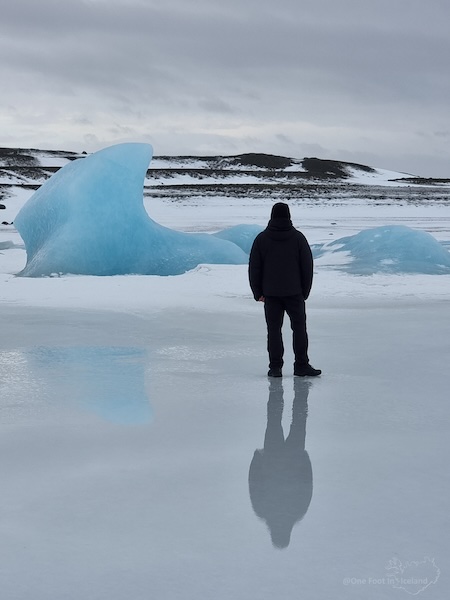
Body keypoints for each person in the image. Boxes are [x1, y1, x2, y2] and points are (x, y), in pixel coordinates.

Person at [248, 202, 321, 377]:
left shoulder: (262, 239)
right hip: (294, 293)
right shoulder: (298, 238)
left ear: (272, 216)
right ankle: (301, 365)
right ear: (288, 216)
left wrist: (257, 292)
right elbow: (307, 266)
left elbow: (254, 267)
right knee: (299, 329)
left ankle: (275, 368)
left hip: (271, 294)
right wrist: (305, 291)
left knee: (273, 331)